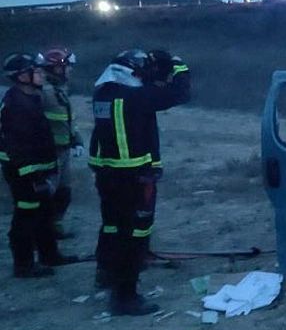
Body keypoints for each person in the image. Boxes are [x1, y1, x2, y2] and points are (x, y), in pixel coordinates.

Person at [89, 49, 190, 315]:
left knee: (112, 227)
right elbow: (180, 93)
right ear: (131, 72)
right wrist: (178, 65)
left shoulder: (102, 93)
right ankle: (125, 296)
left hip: (107, 174)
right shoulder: (136, 96)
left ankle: (106, 272)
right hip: (134, 177)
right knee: (133, 234)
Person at [0, 53, 78, 278]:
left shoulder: (30, 98)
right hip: (24, 172)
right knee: (26, 215)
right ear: (22, 76)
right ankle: (23, 264)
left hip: (39, 169)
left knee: (44, 213)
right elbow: (18, 147)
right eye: (36, 71)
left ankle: (49, 255)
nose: (41, 74)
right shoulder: (16, 105)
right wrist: (33, 176)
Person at [36, 48, 84, 240]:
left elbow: (68, 119)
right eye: (67, 67)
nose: (69, 71)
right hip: (49, 153)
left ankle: (54, 227)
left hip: (63, 151)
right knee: (46, 195)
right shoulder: (43, 92)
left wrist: (77, 140)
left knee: (64, 192)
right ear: (57, 68)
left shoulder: (59, 90)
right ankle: (42, 233)